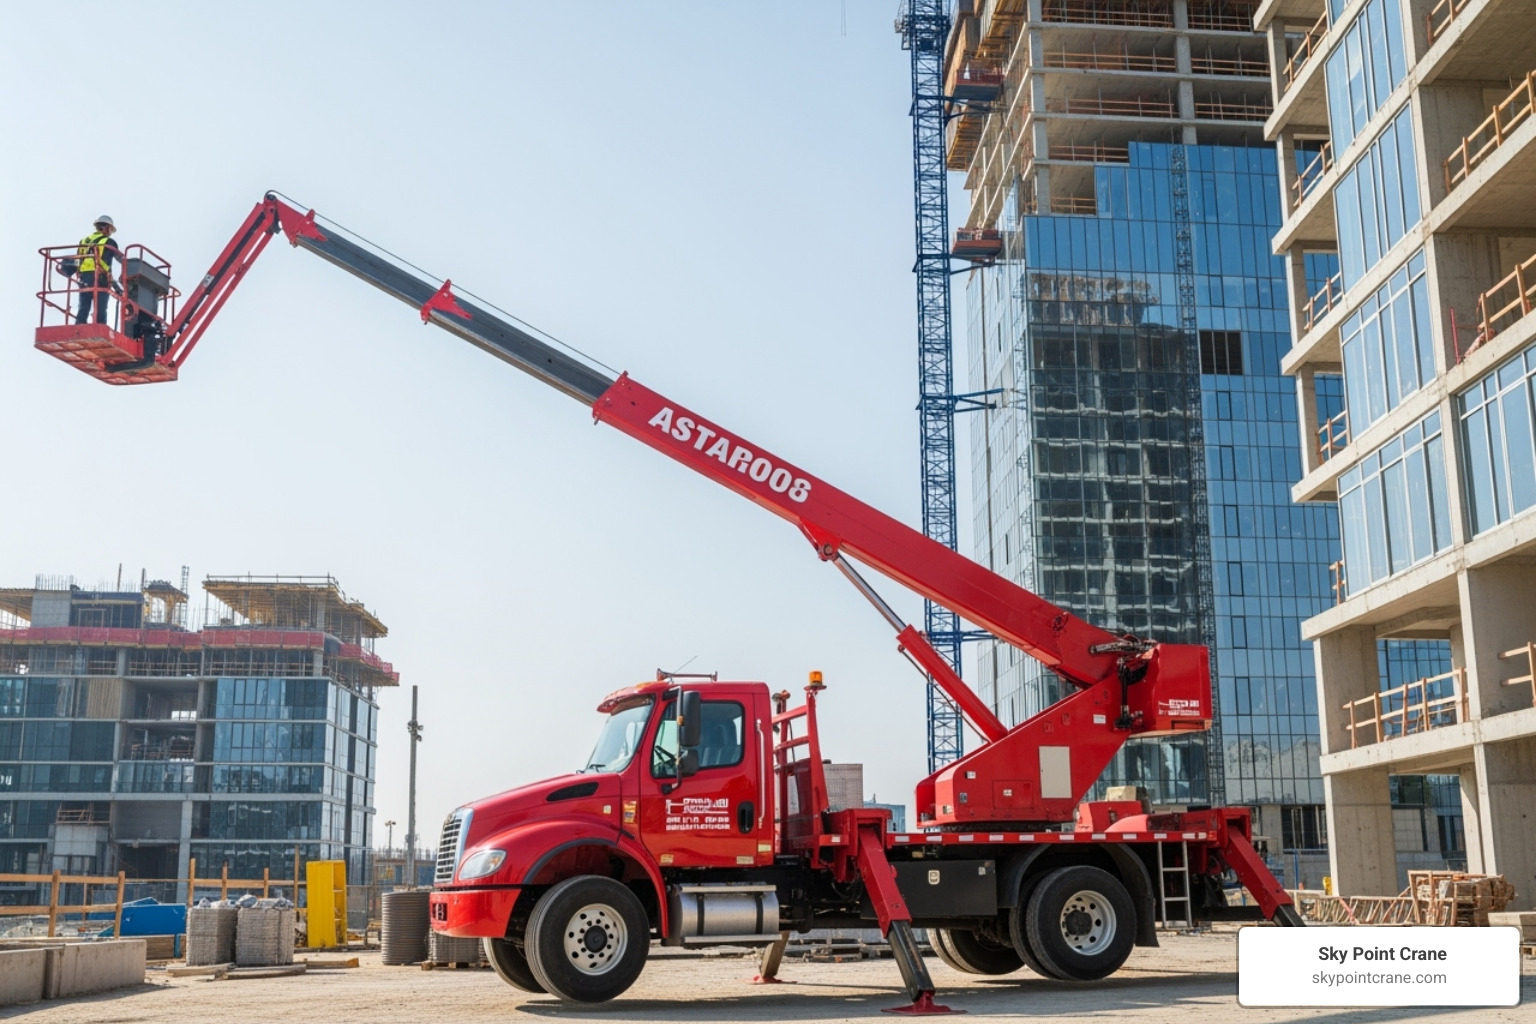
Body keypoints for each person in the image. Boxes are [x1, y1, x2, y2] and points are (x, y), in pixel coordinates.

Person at [75, 215, 122, 325]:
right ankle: (100, 326)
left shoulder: (84, 241)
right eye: (110, 229)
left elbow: (77, 259)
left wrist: (80, 272)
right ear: (107, 228)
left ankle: (79, 325)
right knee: (100, 306)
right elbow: (110, 262)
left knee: (84, 304)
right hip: (100, 276)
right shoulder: (108, 242)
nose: (110, 232)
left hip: (84, 276)